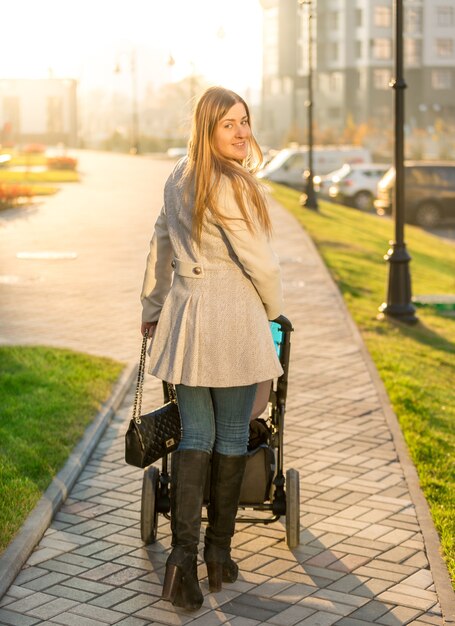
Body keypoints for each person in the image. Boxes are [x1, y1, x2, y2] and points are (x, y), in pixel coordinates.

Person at [140, 86, 283, 611]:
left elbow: (159, 243)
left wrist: (152, 305)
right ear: (208, 128)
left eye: (245, 121)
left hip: (188, 315)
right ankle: (218, 556)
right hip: (233, 315)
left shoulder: (179, 175)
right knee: (227, 434)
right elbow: (261, 263)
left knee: (193, 434)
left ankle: (182, 561)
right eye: (229, 124)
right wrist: (271, 310)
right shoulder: (232, 184)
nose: (242, 132)